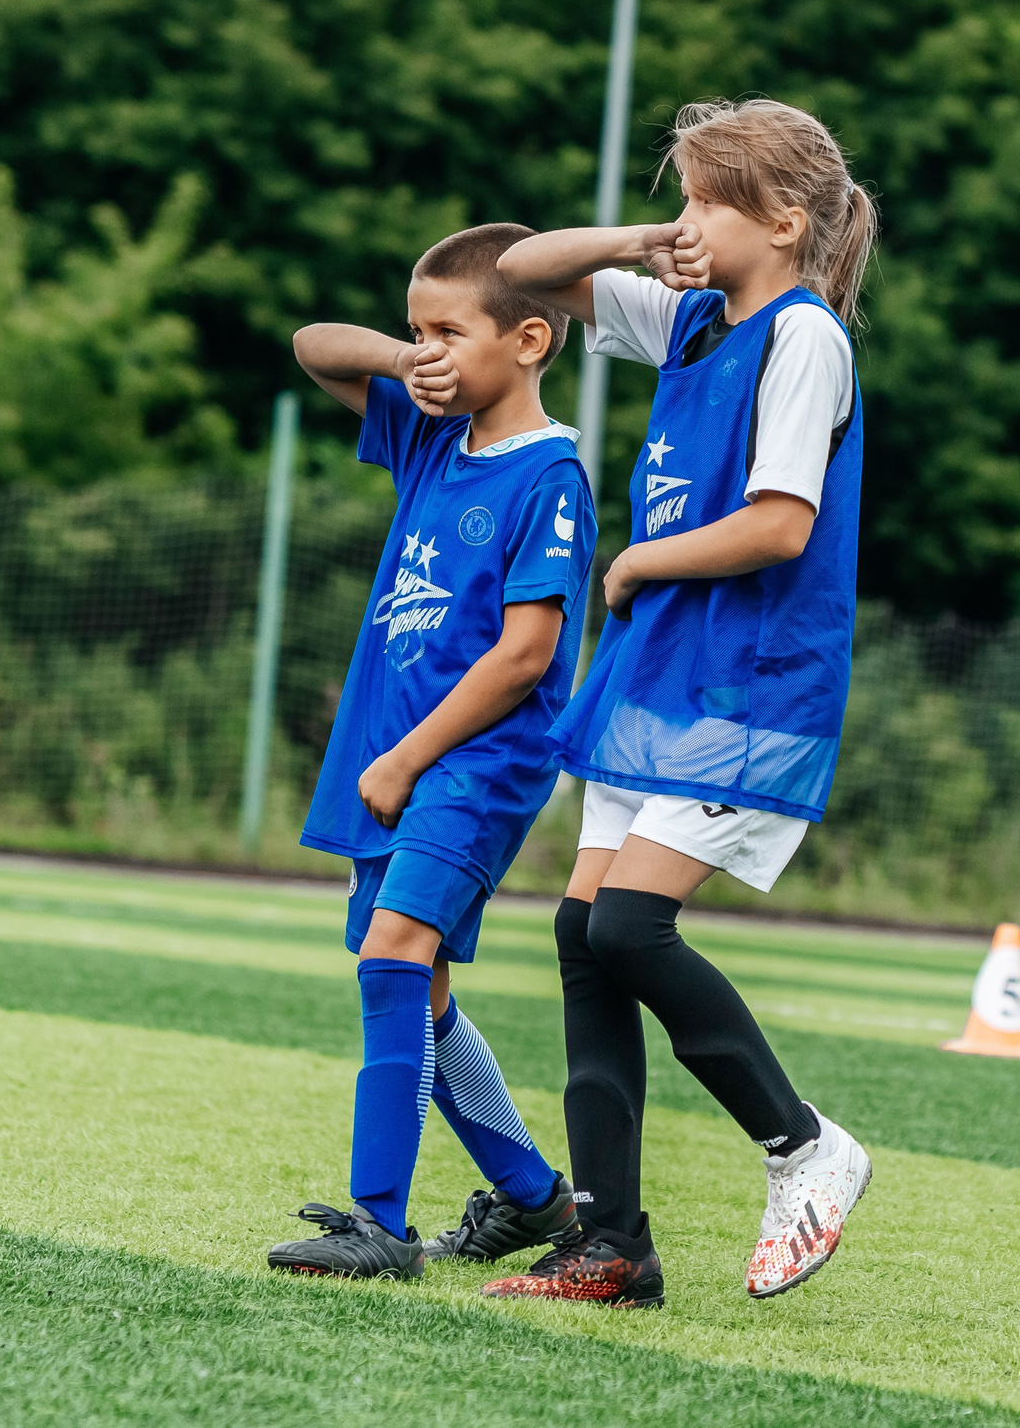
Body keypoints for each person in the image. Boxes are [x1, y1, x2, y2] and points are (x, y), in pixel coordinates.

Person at [480, 98, 876, 1309]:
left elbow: (780, 522)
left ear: (784, 219)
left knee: (628, 929)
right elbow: (515, 269)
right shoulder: (695, 319)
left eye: (707, 199)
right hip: (659, 675)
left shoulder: (804, 336)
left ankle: (805, 1143)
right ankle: (610, 1245)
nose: (687, 218)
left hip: (744, 681)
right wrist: (636, 241)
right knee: (581, 934)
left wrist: (646, 559)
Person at [266, 222, 597, 1285]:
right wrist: (405, 357)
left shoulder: (551, 474)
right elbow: (314, 343)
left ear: (532, 338)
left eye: (450, 329)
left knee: (394, 954)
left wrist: (408, 756)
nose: (430, 350)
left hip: (473, 764)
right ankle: (537, 1196)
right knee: (422, 984)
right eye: (418, 330)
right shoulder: (427, 433)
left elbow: (525, 652)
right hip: (393, 757)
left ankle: (378, 1223)